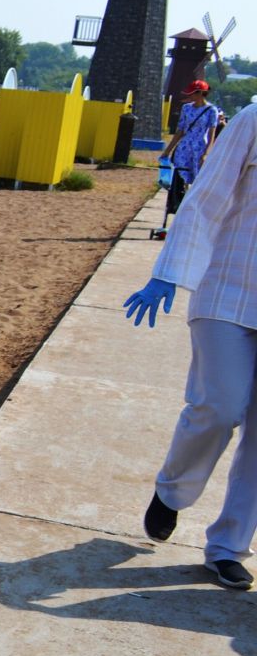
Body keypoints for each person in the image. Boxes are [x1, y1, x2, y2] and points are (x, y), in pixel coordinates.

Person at [124, 103, 257, 590]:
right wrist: (168, 273)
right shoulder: (255, 117)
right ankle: (173, 491)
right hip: (226, 289)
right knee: (219, 405)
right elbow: (206, 199)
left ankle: (227, 548)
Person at [159, 80, 225, 224]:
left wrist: (207, 153)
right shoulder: (186, 108)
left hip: (199, 147)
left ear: (201, 93)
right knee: (180, 177)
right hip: (184, 147)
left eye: (193, 93)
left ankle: (193, 210)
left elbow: (211, 133)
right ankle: (178, 206)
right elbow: (180, 130)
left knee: (197, 180)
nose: (190, 96)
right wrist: (168, 150)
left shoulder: (211, 110)